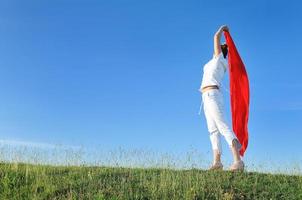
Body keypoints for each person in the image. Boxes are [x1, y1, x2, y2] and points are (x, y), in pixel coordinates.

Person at [199, 25, 244, 171]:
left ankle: (238, 161)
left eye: (221, 46)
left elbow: (215, 37)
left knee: (222, 125)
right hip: (206, 96)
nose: (218, 46)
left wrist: (223, 29)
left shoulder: (220, 60)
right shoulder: (213, 61)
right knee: (213, 130)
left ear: (222, 50)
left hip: (213, 95)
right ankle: (217, 162)